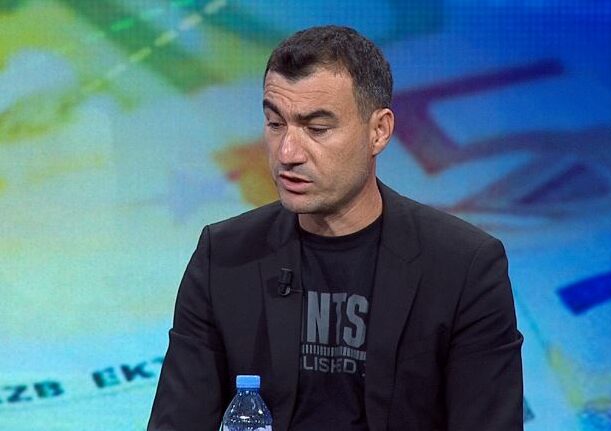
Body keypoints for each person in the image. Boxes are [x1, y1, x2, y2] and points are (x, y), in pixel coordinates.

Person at [148, 25, 523, 431]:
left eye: (317, 129)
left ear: (379, 131)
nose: (287, 153)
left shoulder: (463, 267)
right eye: (275, 123)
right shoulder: (224, 256)